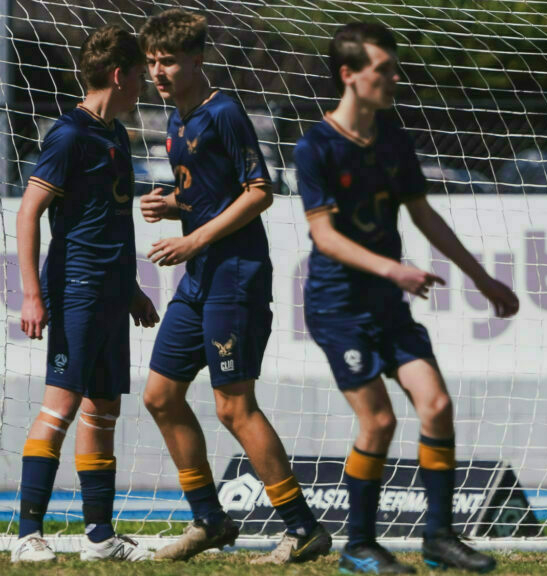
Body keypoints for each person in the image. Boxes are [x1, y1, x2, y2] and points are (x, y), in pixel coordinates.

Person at [294, 21, 518, 574]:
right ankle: (358, 545)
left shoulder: (392, 135)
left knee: (437, 406)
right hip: (337, 307)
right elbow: (323, 236)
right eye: (383, 70)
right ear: (348, 76)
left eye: (394, 68)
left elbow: (423, 215)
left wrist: (483, 279)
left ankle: (440, 539)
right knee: (379, 422)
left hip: (387, 306)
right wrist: (394, 269)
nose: (395, 77)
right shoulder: (315, 145)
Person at [137, 9, 329, 563]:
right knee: (160, 396)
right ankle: (209, 521)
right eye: (152, 61)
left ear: (196, 59)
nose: (158, 71)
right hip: (198, 281)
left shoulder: (225, 113)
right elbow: (209, 196)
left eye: (168, 60)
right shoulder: (176, 120)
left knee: (233, 406)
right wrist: (173, 206)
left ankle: (301, 528)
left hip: (234, 278)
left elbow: (258, 191)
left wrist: (194, 240)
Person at [11, 24, 157, 563]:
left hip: (111, 295)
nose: (144, 86)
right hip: (74, 291)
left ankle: (99, 536)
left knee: (104, 410)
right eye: (140, 76)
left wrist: (134, 289)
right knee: (61, 406)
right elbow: (29, 213)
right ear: (119, 76)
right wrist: (31, 294)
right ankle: (26, 535)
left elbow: (108, 223)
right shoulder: (69, 135)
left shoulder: (115, 135)